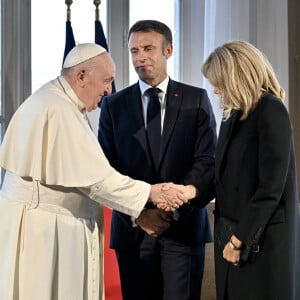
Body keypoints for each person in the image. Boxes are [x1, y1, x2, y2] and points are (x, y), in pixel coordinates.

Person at [0, 43, 193, 300]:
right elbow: (98, 181)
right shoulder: (56, 109)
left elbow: (85, 175)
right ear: (81, 76)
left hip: (56, 223)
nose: (109, 90)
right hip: (45, 231)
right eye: (106, 80)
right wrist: (152, 192)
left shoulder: (61, 103)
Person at [98, 20, 217, 300]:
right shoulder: (114, 105)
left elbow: (207, 163)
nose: (140, 57)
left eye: (149, 48)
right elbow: (107, 169)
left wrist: (170, 211)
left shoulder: (195, 99)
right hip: (133, 233)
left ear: (169, 50)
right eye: (134, 50)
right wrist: (141, 215)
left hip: (184, 232)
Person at [201, 40, 300, 300]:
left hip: (261, 243)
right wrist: (189, 191)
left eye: (218, 82)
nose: (214, 90)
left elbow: (271, 189)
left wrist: (239, 241)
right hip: (230, 238)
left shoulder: (271, 110)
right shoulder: (232, 114)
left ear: (236, 76)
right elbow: (221, 174)